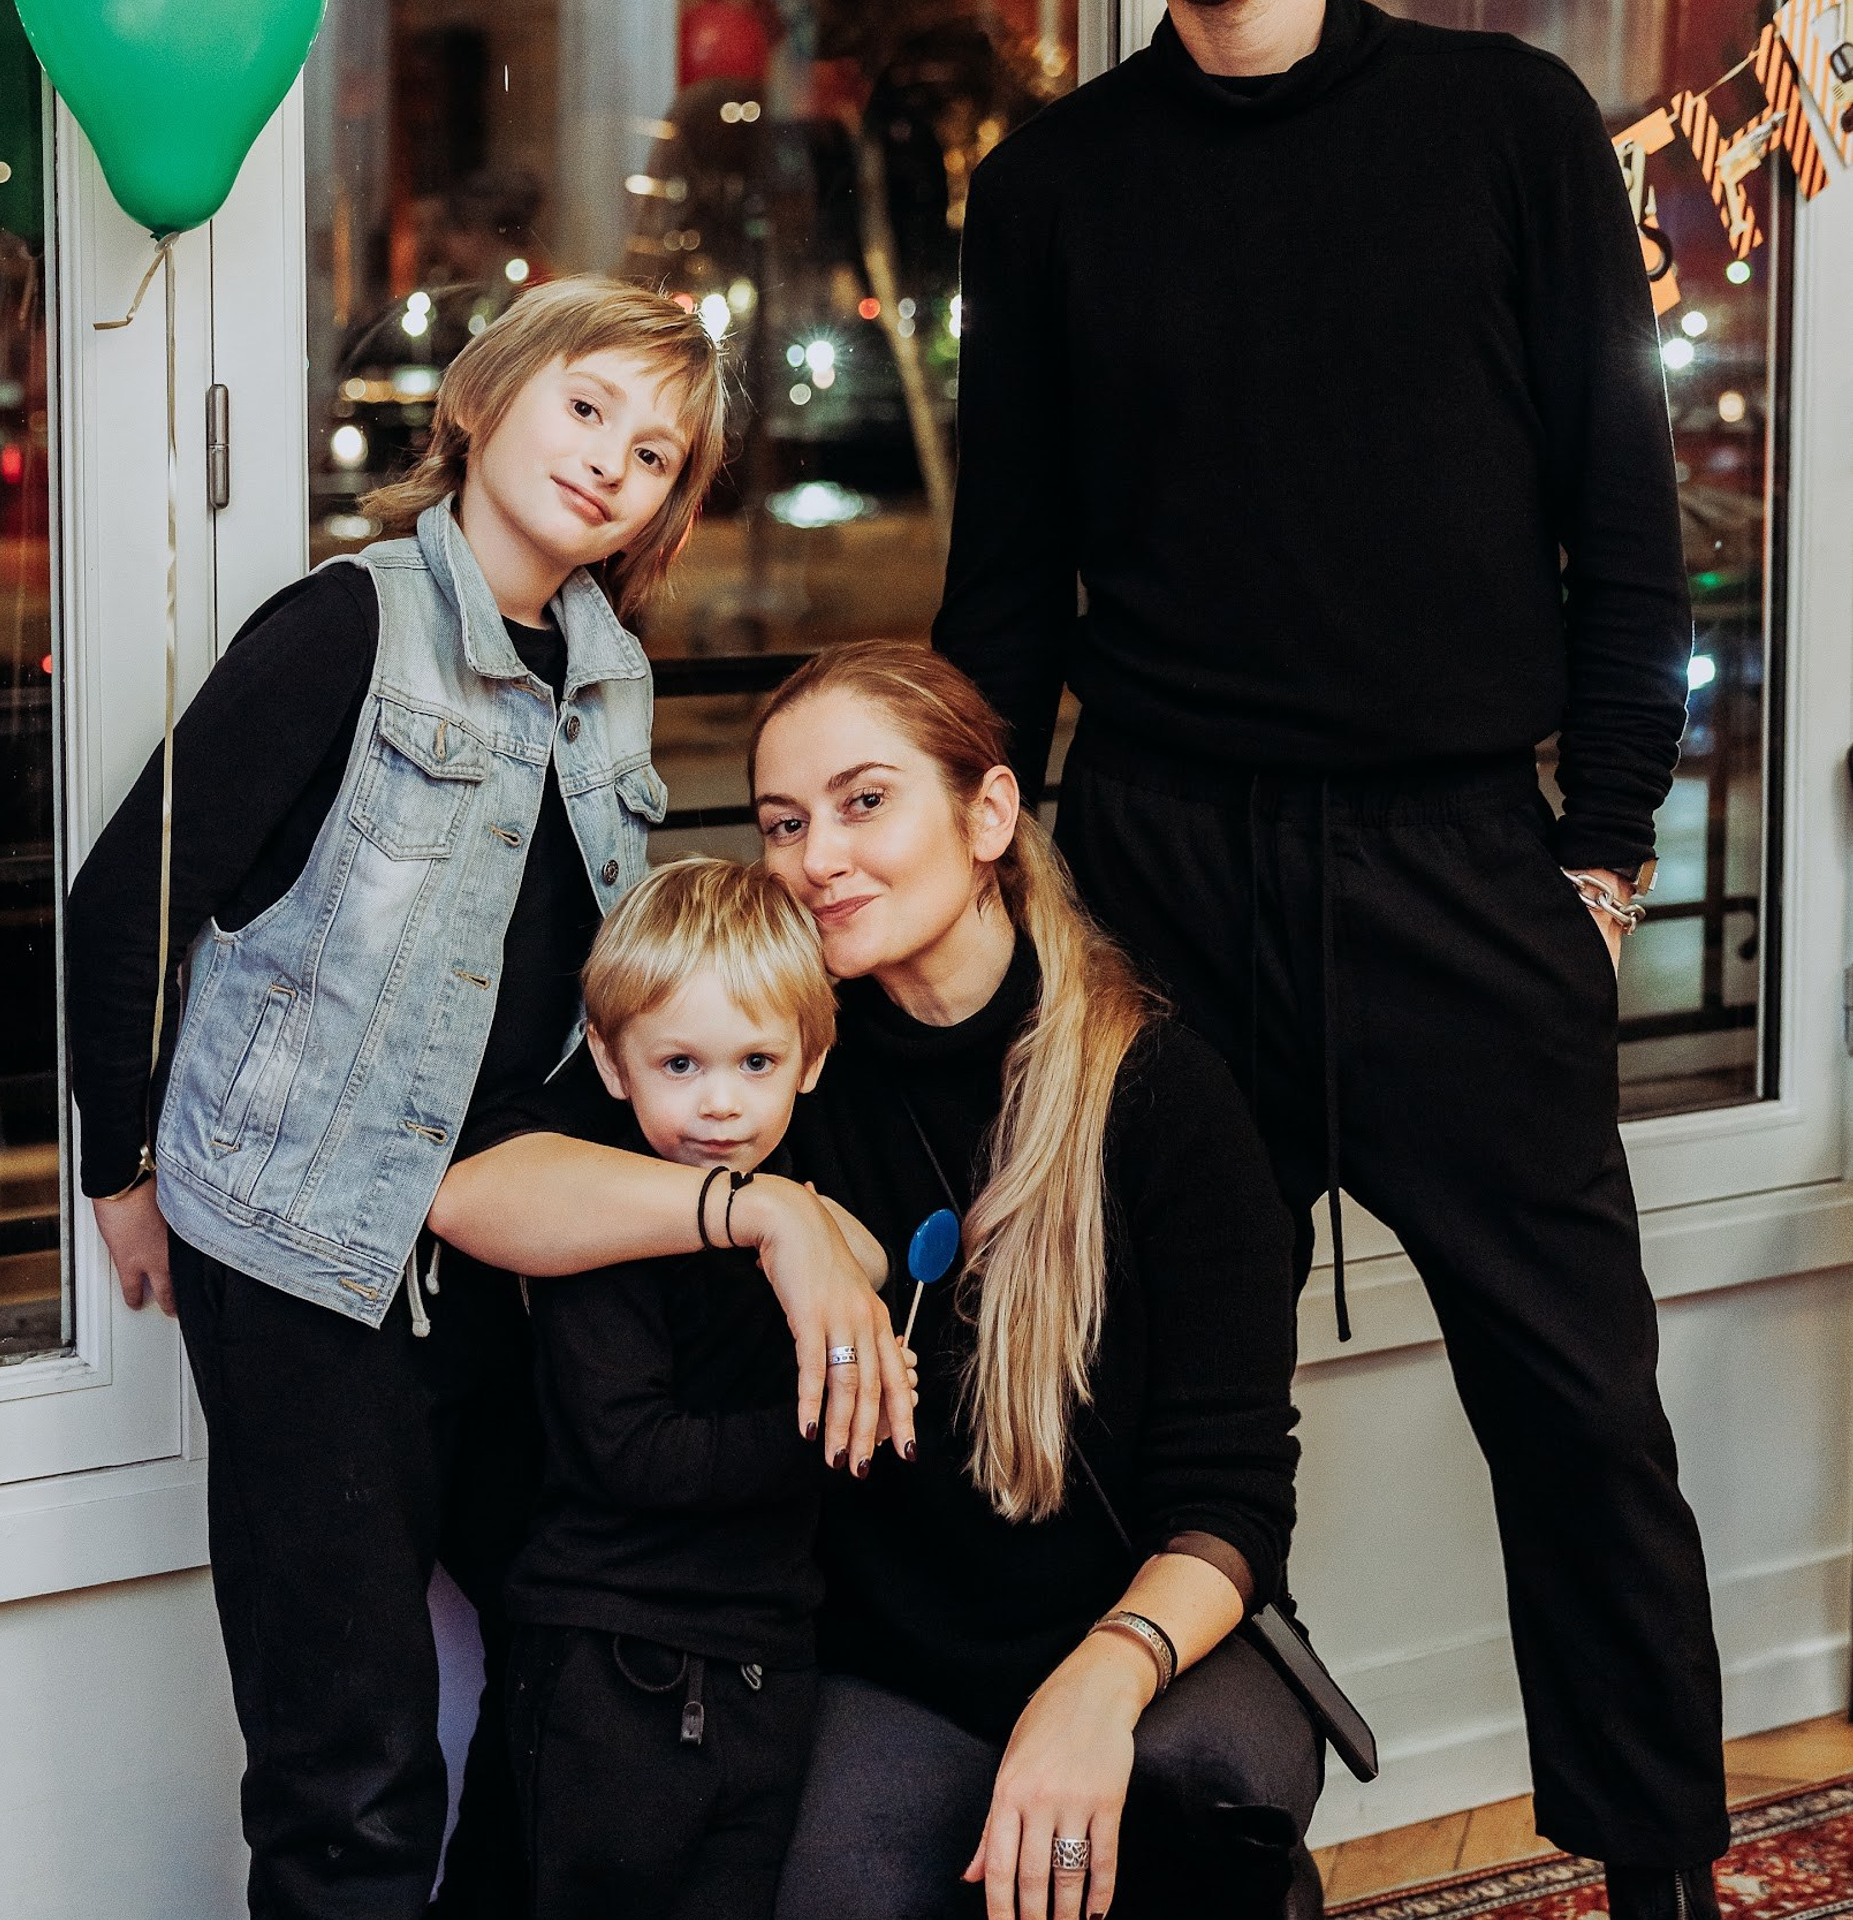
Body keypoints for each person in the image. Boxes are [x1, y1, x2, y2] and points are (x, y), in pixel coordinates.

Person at [932, 2, 1727, 1914]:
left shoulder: (1512, 123)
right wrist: (979, 866)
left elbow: (1625, 517)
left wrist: (1604, 858)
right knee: (1117, 1396)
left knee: (1584, 1416)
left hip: (1455, 860)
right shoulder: (1048, 185)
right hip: (1155, 866)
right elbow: (1011, 574)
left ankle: (1663, 1879)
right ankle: (1190, 1847)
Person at [64, 275, 894, 1920]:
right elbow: (122, 901)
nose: (613, 464)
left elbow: (598, 992)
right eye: (586, 409)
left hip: (505, 1249)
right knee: (354, 1760)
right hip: (307, 1254)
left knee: (578, 1659)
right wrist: (123, 1162)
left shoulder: (612, 675)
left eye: (656, 453)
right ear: (483, 401)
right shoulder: (347, 627)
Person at [434, 642, 1321, 1920]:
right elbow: (475, 1191)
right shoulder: (768, 1071)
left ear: (988, 815)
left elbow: (1234, 1503)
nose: (816, 858)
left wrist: (1099, 1684)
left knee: (1194, 1791)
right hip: (879, 1663)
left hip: (1131, 1635)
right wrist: (769, 1213)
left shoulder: (1159, 1093)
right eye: (785, 823)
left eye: (864, 802)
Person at [506, 856, 913, 1919]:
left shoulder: (802, 1218)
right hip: (616, 1661)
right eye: (679, 1063)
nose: (721, 1105)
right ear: (612, 1061)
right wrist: (834, 1423)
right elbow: (634, 1453)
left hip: (768, 1661)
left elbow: (871, 1261)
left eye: (755, 1062)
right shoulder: (604, 1233)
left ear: (810, 1061)